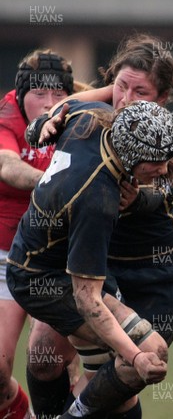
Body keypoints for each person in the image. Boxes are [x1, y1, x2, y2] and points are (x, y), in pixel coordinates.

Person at [26, 33, 173, 418]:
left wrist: (140, 198)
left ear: (161, 100)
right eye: (120, 86)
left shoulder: (166, 135)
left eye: (139, 92)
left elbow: (164, 190)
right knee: (42, 354)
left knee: (120, 381)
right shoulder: (94, 118)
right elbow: (55, 116)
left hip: (154, 273)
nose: (125, 99)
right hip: (99, 268)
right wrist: (48, 119)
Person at [8, 99, 173, 419]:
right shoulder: (97, 198)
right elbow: (87, 299)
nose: (163, 169)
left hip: (47, 260)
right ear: (130, 155)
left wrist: (40, 127)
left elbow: (63, 109)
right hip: (40, 279)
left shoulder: (91, 117)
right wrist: (134, 357)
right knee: (144, 355)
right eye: (156, 162)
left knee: (117, 375)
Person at [0, 49, 75, 419]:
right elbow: (9, 167)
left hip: (60, 257)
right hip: (6, 256)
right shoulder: (6, 116)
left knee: (51, 362)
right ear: (19, 93)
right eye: (38, 95)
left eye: (57, 95)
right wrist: (58, 184)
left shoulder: (77, 112)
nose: (48, 104)